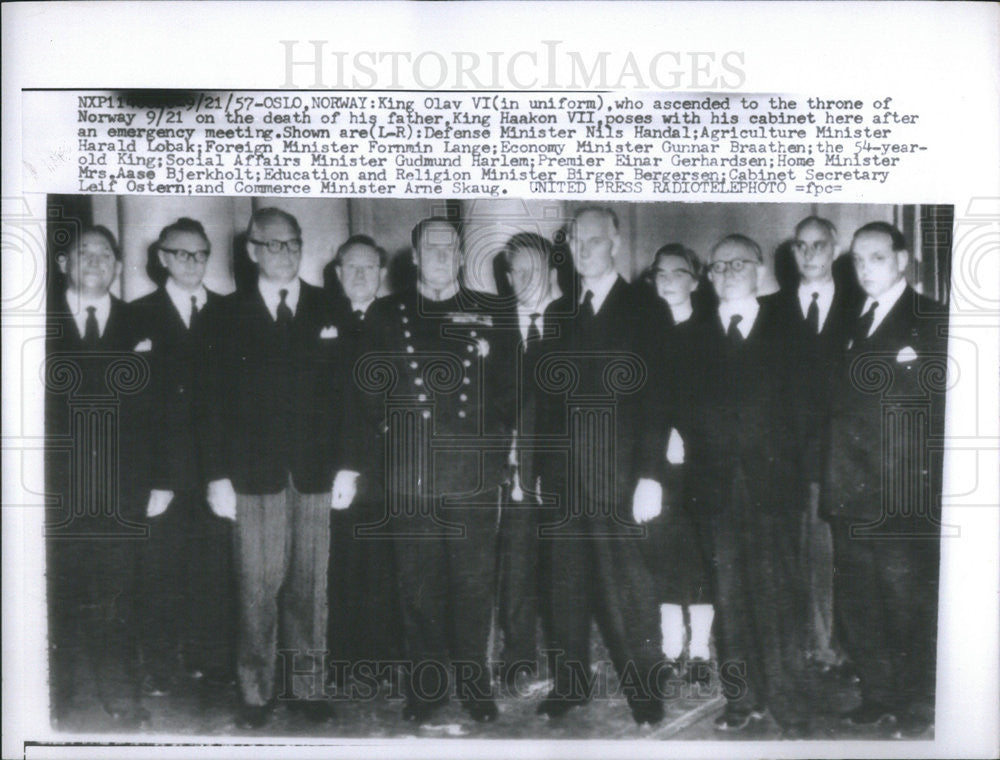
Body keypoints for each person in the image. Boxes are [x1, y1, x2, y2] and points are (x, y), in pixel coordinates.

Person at [345, 217, 517, 724]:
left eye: (450, 250)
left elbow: (510, 392)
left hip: (472, 472)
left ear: (462, 257)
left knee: (472, 583)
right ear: (415, 258)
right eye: (431, 249)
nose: (441, 258)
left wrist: (496, 453)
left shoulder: (491, 312)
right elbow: (366, 390)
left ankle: (474, 683)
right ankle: (427, 686)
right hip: (412, 470)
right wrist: (395, 440)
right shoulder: (384, 312)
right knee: (417, 584)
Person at [197, 207, 353, 728]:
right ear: (253, 250)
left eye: (293, 244)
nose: (285, 253)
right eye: (275, 244)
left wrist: (349, 467)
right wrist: (216, 476)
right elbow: (208, 404)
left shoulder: (329, 308)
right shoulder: (224, 315)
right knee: (257, 588)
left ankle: (309, 687)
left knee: (311, 590)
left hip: (314, 474)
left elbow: (351, 396)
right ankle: (256, 692)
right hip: (251, 477)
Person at [668, 233, 812, 736]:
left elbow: (806, 410)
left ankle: (790, 702)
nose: (726, 273)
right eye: (717, 266)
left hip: (773, 487)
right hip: (713, 489)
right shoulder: (691, 336)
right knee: (727, 600)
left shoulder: (791, 329)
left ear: (759, 271)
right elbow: (681, 410)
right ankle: (742, 700)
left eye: (736, 264)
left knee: (779, 598)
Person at [539, 206, 666, 726]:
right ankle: (571, 686)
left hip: (619, 477)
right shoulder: (559, 313)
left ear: (615, 243)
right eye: (576, 240)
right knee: (564, 586)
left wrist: (650, 475)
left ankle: (645, 694)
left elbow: (659, 399)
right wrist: (543, 467)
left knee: (628, 592)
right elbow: (548, 399)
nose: (585, 248)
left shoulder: (645, 309)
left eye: (596, 240)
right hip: (567, 479)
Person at [824, 222, 946, 738]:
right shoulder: (848, 319)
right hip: (848, 488)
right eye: (857, 260)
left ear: (903, 261)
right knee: (859, 602)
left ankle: (919, 707)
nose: (865, 269)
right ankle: (877, 694)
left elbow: (942, 416)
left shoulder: (933, 319)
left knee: (907, 604)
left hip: (901, 493)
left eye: (876, 257)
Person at [45, 225, 147, 726]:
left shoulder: (137, 322)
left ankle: (121, 695)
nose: (95, 261)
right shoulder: (31, 322)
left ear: (119, 268)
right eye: (83, 253)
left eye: (105, 254)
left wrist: (160, 481)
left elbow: (158, 413)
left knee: (116, 594)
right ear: (63, 264)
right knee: (51, 592)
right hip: (50, 489)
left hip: (119, 489)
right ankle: (51, 697)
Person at [129, 218, 235, 696]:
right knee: (160, 571)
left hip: (216, 471)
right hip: (161, 474)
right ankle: (158, 665)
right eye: (183, 254)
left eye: (201, 254)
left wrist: (228, 473)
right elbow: (130, 406)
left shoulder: (231, 313)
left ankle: (212, 663)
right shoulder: (135, 316)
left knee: (215, 569)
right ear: (163, 258)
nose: (193, 263)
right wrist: (152, 477)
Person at [774, 216, 863, 673]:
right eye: (801, 247)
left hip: (839, 458)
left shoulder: (859, 306)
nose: (809, 255)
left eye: (819, 246)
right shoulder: (770, 309)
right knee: (789, 558)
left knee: (831, 558)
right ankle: (802, 646)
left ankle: (831, 647)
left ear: (835, 248)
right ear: (793, 253)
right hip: (782, 458)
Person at [323, 235, 404, 677]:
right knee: (340, 563)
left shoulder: (399, 320)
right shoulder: (318, 317)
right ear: (337, 273)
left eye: (369, 267)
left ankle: (385, 658)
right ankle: (342, 658)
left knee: (385, 562)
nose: (360, 275)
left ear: (382, 273)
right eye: (351, 268)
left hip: (387, 462)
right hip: (333, 463)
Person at [494, 231, 566, 690]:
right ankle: (518, 655)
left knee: (564, 566)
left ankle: (568, 658)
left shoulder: (572, 323)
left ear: (552, 273)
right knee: (517, 563)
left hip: (565, 467)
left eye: (533, 270)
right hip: (514, 466)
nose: (523, 279)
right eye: (515, 271)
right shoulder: (493, 327)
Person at [641, 244, 715, 685]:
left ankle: (701, 648)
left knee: (701, 557)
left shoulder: (709, 331)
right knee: (662, 553)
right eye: (659, 273)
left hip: (701, 464)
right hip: (655, 465)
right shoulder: (642, 333)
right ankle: (670, 647)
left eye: (677, 272)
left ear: (695, 279)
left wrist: (688, 437)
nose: (667, 280)